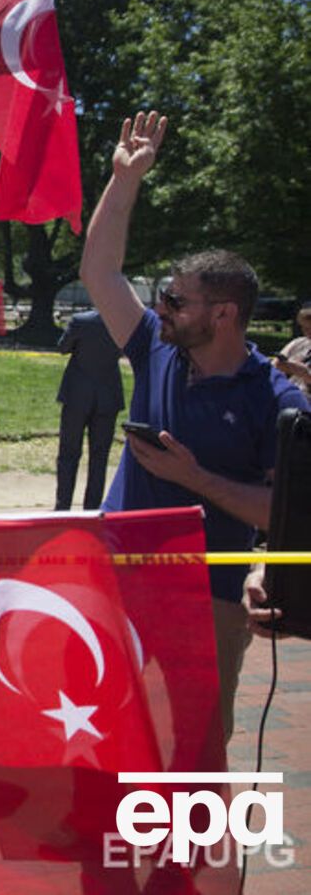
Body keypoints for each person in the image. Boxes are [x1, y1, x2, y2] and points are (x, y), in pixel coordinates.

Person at [79, 110, 309, 744]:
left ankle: (187, 818)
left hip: (207, 595)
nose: (162, 308)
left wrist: (195, 478)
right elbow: (99, 271)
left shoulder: (278, 399)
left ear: (225, 314)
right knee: (113, 732)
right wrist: (125, 179)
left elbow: (284, 513)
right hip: (120, 574)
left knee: (193, 743)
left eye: (177, 301)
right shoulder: (155, 345)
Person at [55, 310, 125, 511]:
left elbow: (63, 347)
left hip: (77, 393)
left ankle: (63, 505)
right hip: (108, 393)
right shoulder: (120, 322)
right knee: (100, 456)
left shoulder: (81, 321)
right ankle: (92, 506)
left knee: (68, 453)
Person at [274, 303, 311, 396]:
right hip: (287, 395)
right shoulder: (298, 343)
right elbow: (273, 366)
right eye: (305, 328)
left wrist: (306, 375)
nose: (308, 332)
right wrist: (283, 366)